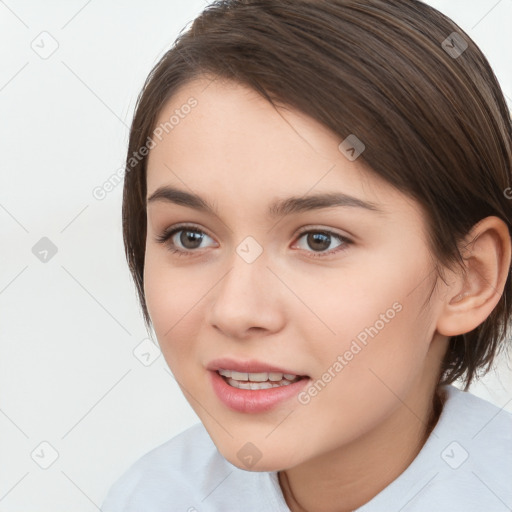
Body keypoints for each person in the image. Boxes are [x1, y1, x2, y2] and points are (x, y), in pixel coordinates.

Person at [102, 0, 512, 510]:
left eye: (320, 239)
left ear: (469, 278)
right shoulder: (151, 497)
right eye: (190, 236)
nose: (236, 311)